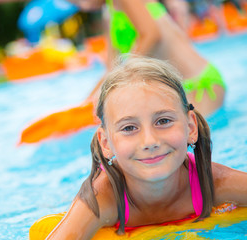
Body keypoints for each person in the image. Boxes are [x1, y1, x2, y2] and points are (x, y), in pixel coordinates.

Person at [45, 57, 247, 239]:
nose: (149, 141)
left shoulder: (213, 182)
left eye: (163, 121)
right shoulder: (104, 198)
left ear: (190, 127)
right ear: (106, 143)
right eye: (129, 127)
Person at [72, 0, 226, 117]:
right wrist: (84, 105)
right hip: (177, 90)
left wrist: (120, 80)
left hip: (199, 85)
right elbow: (112, 68)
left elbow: (152, 34)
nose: (76, 4)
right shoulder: (109, 11)